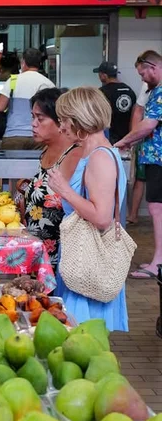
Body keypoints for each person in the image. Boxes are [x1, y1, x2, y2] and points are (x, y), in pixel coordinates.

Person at [48, 87, 128, 332]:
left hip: (87, 263)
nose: (61, 127)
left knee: (83, 340)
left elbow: (102, 217)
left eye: (64, 120)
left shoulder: (99, 158)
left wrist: (65, 190)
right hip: (84, 259)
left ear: (80, 120)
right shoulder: (98, 153)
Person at [18, 88, 81, 269]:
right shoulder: (46, 151)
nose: (33, 124)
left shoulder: (74, 156)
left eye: (40, 118)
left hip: (59, 259)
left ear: (60, 121)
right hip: (38, 255)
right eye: (33, 117)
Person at [116, 51, 162, 279]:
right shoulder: (155, 91)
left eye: (143, 74)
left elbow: (149, 124)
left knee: (157, 209)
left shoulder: (161, 92)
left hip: (158, 159)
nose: (142, 79)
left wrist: (124, 141)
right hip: (154, 158)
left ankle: (158, 263)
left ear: (153, 67)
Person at [0, 48, 54, 149]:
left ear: (23, 62)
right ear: (39, 63)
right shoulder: (48, 83)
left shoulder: (13, 80)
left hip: (14, 135)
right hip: (39, 136)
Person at [93, 61, 136, 145]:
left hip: (109, 137)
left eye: (99, 74)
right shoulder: (129, 90)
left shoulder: (102, 92)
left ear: (104, 76)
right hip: (127, 137)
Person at [127, 82, 151, 225]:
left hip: (150, 140)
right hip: (148, 141)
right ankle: (133, 214)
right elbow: (138, 110)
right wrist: (133, 138)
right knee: (140, 178)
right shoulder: (148, 84)